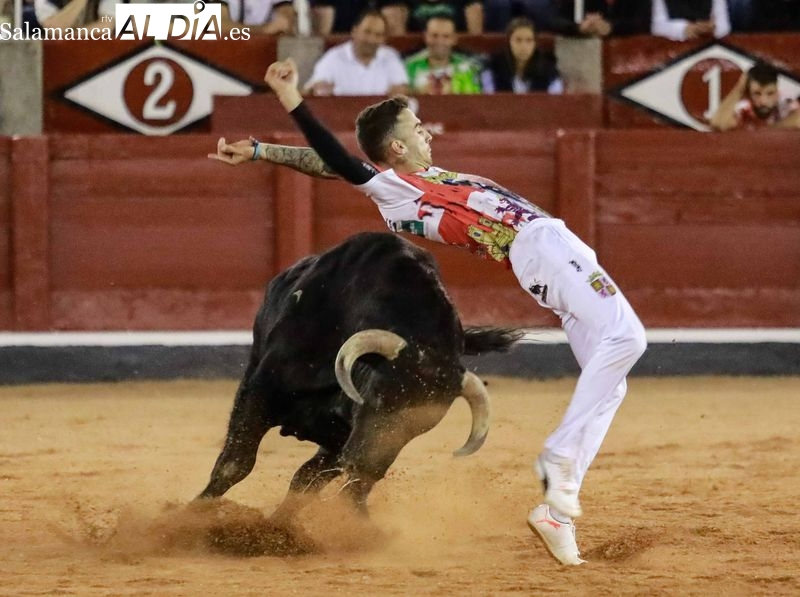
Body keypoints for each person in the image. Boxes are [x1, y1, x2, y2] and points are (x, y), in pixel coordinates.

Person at [208, 58, 648, 566]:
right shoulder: (396, 190)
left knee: (612, 383)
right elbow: (337, 158)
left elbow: (326, 165)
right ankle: (560, 462)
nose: (427, 132)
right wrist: (290, 98)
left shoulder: (408, 181)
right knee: (627, 338)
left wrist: (262, 150)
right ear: (397, 147)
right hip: (539, 246)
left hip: (547, 252)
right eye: (417, 128)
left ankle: (557, 514)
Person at [304, 9, 409, 96]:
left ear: (384, 39)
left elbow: (402, 89)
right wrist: (317, 89)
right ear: (354, 31)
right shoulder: (333, 57)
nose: (371, 40)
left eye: (378, 35)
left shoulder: (390, 57)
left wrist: (400, 91)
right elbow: (310, 91)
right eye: (367, 32)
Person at [482, 16, 563, 94]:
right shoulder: (493, 68)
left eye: (529, 40)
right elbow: (487, 98)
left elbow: (555, 100)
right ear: (509, 42)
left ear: (535, 43)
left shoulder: (549, 72)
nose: (523, 47)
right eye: (518, 40)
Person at [405, 14, 483, 94]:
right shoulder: (409, 67)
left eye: (446, 36)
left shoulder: (467, 68)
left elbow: (474, 98)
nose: (440, 41)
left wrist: (452, 91)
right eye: (434, 36)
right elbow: (403, 98)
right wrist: (419, 93)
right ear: (426, 37)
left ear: (454, 39)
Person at [710, 63, 800, 131]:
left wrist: (764, 134)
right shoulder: (743, 109)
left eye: (770, 93)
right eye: (757, 93)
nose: (763, 101)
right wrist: (739, 89)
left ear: (777, 92)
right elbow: (719, 123)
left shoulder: (786, 104)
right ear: (749, 93)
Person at [543, 0, 651, 37]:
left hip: (630, 56)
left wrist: (610, 27)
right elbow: (555, 20)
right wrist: (578, 28)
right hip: (584, 57)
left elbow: (642, 23)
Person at [651, 0, 731, 41]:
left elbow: (724, 27)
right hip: (673, 48)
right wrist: (685, 29)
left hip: (706, 45)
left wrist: (712, 28)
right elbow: (657, 27)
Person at [226, 0, 296, 35]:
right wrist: (263, 30)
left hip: (266, 49)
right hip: (230, 49)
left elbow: (286, 22)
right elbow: (220, 26)